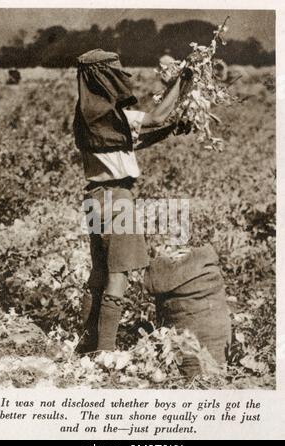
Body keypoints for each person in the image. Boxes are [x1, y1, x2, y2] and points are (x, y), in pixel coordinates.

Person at [73, 49, 192, 354]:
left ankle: (86, 343)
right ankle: (106, 352)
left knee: (99, 273)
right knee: (118, 276)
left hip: (94, 198)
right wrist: (182, 80)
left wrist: (168, 132)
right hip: (117, 199)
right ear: (104, 76)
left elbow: (128, 142)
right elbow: (155, 116)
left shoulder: (90, 116)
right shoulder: (113, 116)